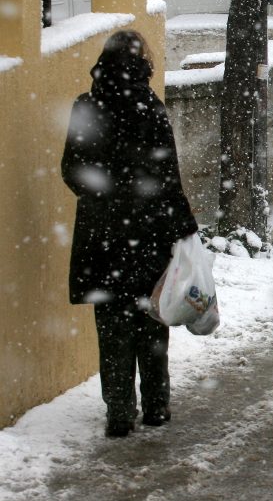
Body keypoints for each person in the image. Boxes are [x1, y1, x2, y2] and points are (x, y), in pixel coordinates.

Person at [61, 30, 198, 437]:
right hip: (148, 232)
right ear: (143, 63)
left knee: (112, 325)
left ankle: (119, 411)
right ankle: (156, 405)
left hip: (103, 235)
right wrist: (183, 228)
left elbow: (71, 168)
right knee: (151, 320)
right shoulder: (150, 108)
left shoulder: (85, 107)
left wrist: (104, 196)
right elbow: (168, 175)